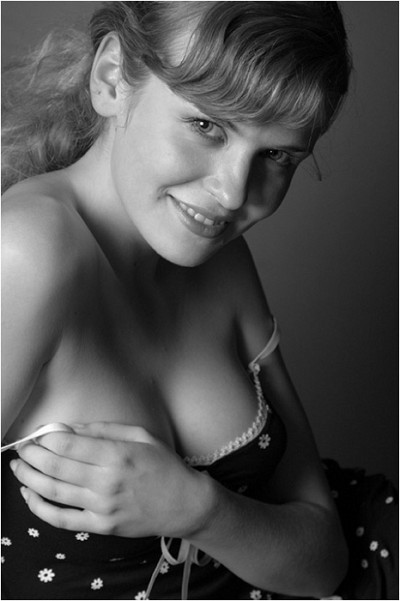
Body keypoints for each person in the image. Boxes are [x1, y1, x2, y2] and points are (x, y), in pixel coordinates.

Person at [1, 2, 354, 599]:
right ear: (112, 78)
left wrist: (199, 510)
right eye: (207, 126)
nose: (233, 194)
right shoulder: (25, 254)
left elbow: (323, 561)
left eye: (277, 156)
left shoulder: (221, 256)